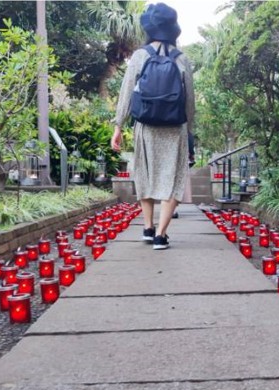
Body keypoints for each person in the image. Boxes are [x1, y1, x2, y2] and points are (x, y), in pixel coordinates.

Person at [111, 2, 195, 250]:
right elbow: (189, 101)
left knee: (145, 176)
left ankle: (147, 228)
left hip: (145, 126)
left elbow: (126, 93)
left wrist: (118, 126)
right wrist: (189, 132)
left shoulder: (140, 56)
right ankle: (161, 234)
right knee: (174, 179)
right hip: (174, 127)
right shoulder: (182, 59)